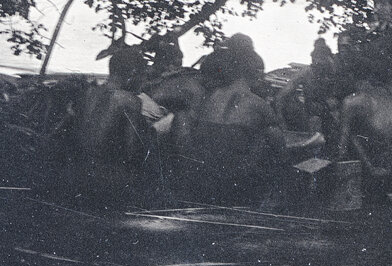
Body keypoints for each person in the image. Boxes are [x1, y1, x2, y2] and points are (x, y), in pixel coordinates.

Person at [168, 45, 286, 204]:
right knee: (269, 135)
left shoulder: (207, 97)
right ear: (255, 75)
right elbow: (279, 147)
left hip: (199, 180)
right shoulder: (258, 104)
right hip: (236, 183)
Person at [336, 40, 392, 203]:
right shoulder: (385, 94)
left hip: (386, 165)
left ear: (352, 76)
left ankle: (376, 183)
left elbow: (342, 148)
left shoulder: (352, 101)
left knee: (351, 133)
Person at [72, 46, 151, 208]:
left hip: (76, 174)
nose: (144, 83)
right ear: (132, 75)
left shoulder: (89, 93)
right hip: (106, 181)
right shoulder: (129, 100)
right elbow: (133, 152)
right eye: (143, 77)